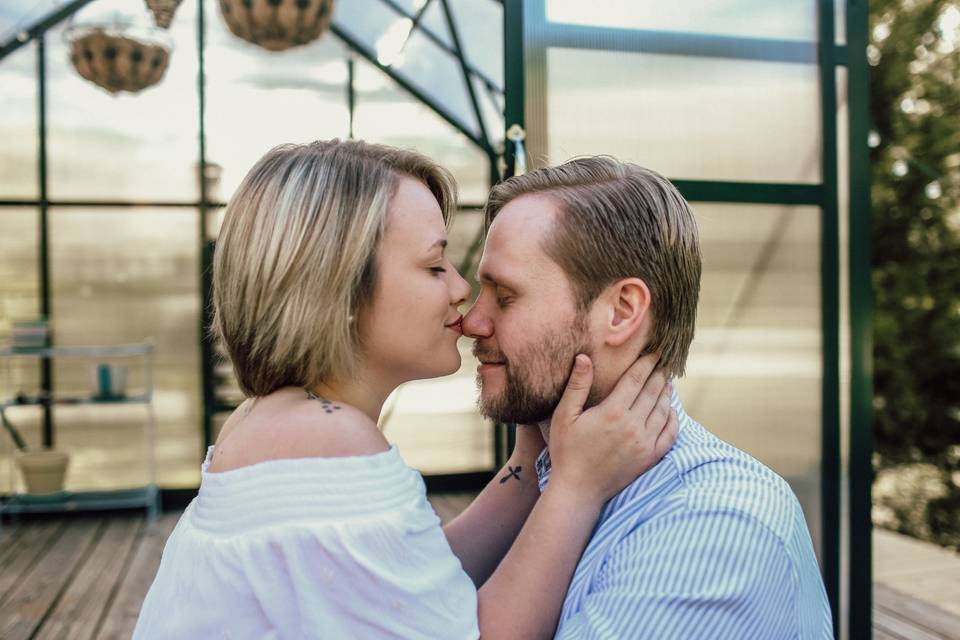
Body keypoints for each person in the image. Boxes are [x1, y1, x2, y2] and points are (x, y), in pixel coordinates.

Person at [133, 140, 677, 639]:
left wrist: (532, 459)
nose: (462, 291)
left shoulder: (270, 420)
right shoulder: (326, 438)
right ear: (339, 286)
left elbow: (412, 591)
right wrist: (576, 486)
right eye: (436, 264)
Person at [463, 156, 834, 639]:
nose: (472, 321)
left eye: (505, 296)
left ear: (621, 312)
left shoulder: (715, 524)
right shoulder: (551, 474)